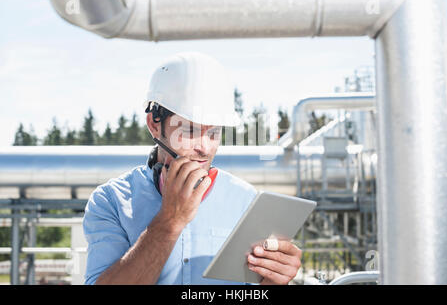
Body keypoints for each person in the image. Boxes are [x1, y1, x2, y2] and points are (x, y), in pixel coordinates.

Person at [83, 52, 302, 285]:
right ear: (154, 126)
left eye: (213, 133)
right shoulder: (112, 201)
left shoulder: (246, 201)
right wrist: (169, 222)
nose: (205, 148)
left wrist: (273, 282)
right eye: (189, 131)